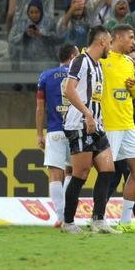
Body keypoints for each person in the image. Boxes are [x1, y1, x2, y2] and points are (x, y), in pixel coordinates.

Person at [61, 26, 118, 234]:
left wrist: (95, 117)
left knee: (108, 169)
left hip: (95, 125)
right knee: (81, 173)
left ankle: (98, 219)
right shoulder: (80, 61)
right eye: (110, 43)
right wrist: (87, 113)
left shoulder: (98, 66)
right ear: (102, 41)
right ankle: (68, 222)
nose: (111, 47)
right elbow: (69, 89)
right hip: (79, 124)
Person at [98, 23, 135, 234]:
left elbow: (133, 93)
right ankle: (97, 218)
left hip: (128, 125)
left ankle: (126, 220)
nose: (134, 41)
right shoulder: (102, 59)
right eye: (131, 37)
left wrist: (132, 87)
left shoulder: (129, 62)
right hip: (110, 125)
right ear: (117, 38)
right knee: (107, 174)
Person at [36, 43, 79, 228]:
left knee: (55, 174)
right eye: (77, 55)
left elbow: (40, 108)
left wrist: (39, 133)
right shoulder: (79, 73)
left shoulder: (45, 76)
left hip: (54, 131)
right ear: (72, 56)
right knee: (72, 172)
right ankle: (69, 216)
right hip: (75, 129)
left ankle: (61, 217)